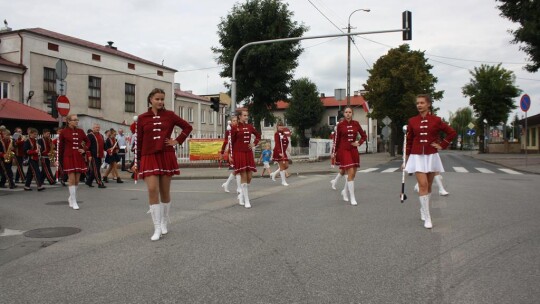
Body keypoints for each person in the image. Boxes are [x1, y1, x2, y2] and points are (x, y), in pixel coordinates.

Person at [134, 88, 192, 241]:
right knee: (153, 189)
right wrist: (137, 161)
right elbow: (139, 140)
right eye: (157, 99)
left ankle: (165, 221)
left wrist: (177, 141)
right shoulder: (142, 118)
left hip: (165, 155)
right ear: (150, 100)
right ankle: (157, 227)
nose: (160, 102)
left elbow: (187, 127)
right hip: (148, 156)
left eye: (162, 99)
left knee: (165, 192)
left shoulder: (170, 115)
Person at [404, 94, 456, 229]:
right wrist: (406, 158)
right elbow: (409, 141)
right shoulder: (412, 121)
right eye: (417, 103)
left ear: (428, 105)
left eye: (422, 103)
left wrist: (442, 144)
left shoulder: (436, 120)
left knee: (429, 186)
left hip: (431, 155)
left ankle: (423, 209)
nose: (419, 105)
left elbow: (451, 133)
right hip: (417, 156)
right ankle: (427, 216)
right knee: (423, 184)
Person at [333, 107, 367, 206]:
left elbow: (364, 136)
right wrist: (334, 152)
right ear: (343, 114)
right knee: (350, 171)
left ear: (352, 113)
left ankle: (344, 191)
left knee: (353, 175)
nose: (348, 114)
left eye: (350, 112)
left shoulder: (356, 123)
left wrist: (359, 142)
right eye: (346, 112)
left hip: (353, 150)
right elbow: (336, 140)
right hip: (343, 150)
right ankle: (352, 197)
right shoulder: (340, 125)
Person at [59, 114, 90, 209]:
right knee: (71, 179)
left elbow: (88, 142)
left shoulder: (80, 131)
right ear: (68, 121)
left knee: (77, 180)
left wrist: (84, 149)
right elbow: (61, 147)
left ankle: (71, 198)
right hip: (68, 157)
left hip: (78, 156)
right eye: (74, 120)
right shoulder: (63, 132)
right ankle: (74, 201)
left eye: (77, 120)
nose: (77, 121)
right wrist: (59, 160)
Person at [231, 109, 260, 208]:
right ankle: (246, 200)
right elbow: (232, 143)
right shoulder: (234, 128)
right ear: (239, 116)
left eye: (247, 115)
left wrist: (254, 144)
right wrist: (232, 155)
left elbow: (258, 136)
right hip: (239, 153)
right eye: (244, 115)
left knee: (249, 177)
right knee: (243, 175)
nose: (246, 117)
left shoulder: (250, 126)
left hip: (248, 153)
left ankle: (241, 195)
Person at [220, 116, 241, 193]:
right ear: (231, 122)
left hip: (239, 151)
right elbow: (226, 142)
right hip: (232, 152)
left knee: (237, 170)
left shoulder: (239, 129)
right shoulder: (229, 131)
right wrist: (223, 153)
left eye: (236, 120)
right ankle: (239, 188)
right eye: (233, 121)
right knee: (238, 170)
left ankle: (226, 184)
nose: (235, 122)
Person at [329, 119, 348, 197]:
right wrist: (333, 152)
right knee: (347, 169)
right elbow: (335, 143)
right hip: (341, 151)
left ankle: (335, 181)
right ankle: (347, 187)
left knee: (343, 171)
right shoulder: (338, 131)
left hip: (346, 151)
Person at [269, 121, 290, 186]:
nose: (281, 127)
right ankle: (283, 181)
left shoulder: (284, 134)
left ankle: (274, 174)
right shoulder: (276, 134)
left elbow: (287, 141)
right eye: (279, 126)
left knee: (286, 166)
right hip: (278, 152)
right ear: (277, 127)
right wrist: (280, 152)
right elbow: (277, 143)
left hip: (283, 151)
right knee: (282, 166)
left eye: (282, 126)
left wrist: (286, 148)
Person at [86, 123, 106, 188]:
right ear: (93, 128)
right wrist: (89, 155)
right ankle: (99, 183)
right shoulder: (90, 135)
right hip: (93, 155)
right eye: (96, 127)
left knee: (95, 170)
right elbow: (87, 146)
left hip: (99, 155)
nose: (97, 128)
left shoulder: (101, 135)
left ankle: (88, 181)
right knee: (96, 170)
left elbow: (104, 145)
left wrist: (108, 149)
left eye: (98, 127)